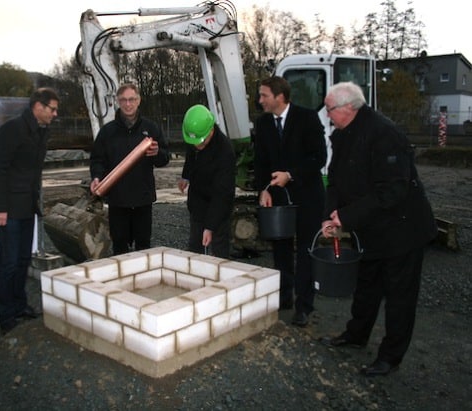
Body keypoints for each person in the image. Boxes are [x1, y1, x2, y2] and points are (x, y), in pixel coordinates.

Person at [318, 82, 437, 376]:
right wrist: (328, 217)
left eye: (329, 109)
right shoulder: (343, 134)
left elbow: (392, 190)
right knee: (366, 287)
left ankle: (390, 356)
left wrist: (346, 216)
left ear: (347, 108)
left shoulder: (384, 134)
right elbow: (334, 180)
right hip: (369, 227)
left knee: (399, 297)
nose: (326, 114)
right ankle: (356, 334)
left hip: (401, 232)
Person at [253, 76, 327, 327]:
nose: (259, 100)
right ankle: (284, 297)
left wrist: (290, 175)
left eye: (263, 95)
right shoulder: (262, 125)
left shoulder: (307, 118)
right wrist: (263, 190)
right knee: (280, 249)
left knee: (306, 250)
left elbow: (319, 157)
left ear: (279, 96)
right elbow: (261, 163)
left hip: (308, 197)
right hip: (278, 198)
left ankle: (303, 305)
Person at [0, 87, 60, 335]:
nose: (55, 113)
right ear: (37, 106)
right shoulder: (12, 130)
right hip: (7, 210)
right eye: (52, 108)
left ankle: (19, 306)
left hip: (26, 207)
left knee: (22, 261)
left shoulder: (41, 131)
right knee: (7, 263)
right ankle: (5, 314)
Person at [89, 83, 170, 255]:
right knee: (119, 247)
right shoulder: (107, 132)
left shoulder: (151, 128)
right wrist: (96, 176)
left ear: (139, 100)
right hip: (118, 200)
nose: (128, 104)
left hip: (143, 200)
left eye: (132, 99)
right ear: (118, 102)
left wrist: (157, 153)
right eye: (124, 100)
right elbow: (97, 159)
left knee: (143, 248)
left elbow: (164, 158)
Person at [178, 104, 236, 258]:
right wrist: (186, 175)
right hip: (197, 200)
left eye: (201, 142)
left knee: (219, 249)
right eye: (194, 142)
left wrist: (210, 227)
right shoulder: (194, 136)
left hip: (217, 204)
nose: (197, 145)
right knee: (195, 246)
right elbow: (191, 157)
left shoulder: (225, 152)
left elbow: (222, 194)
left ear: (211, 131)